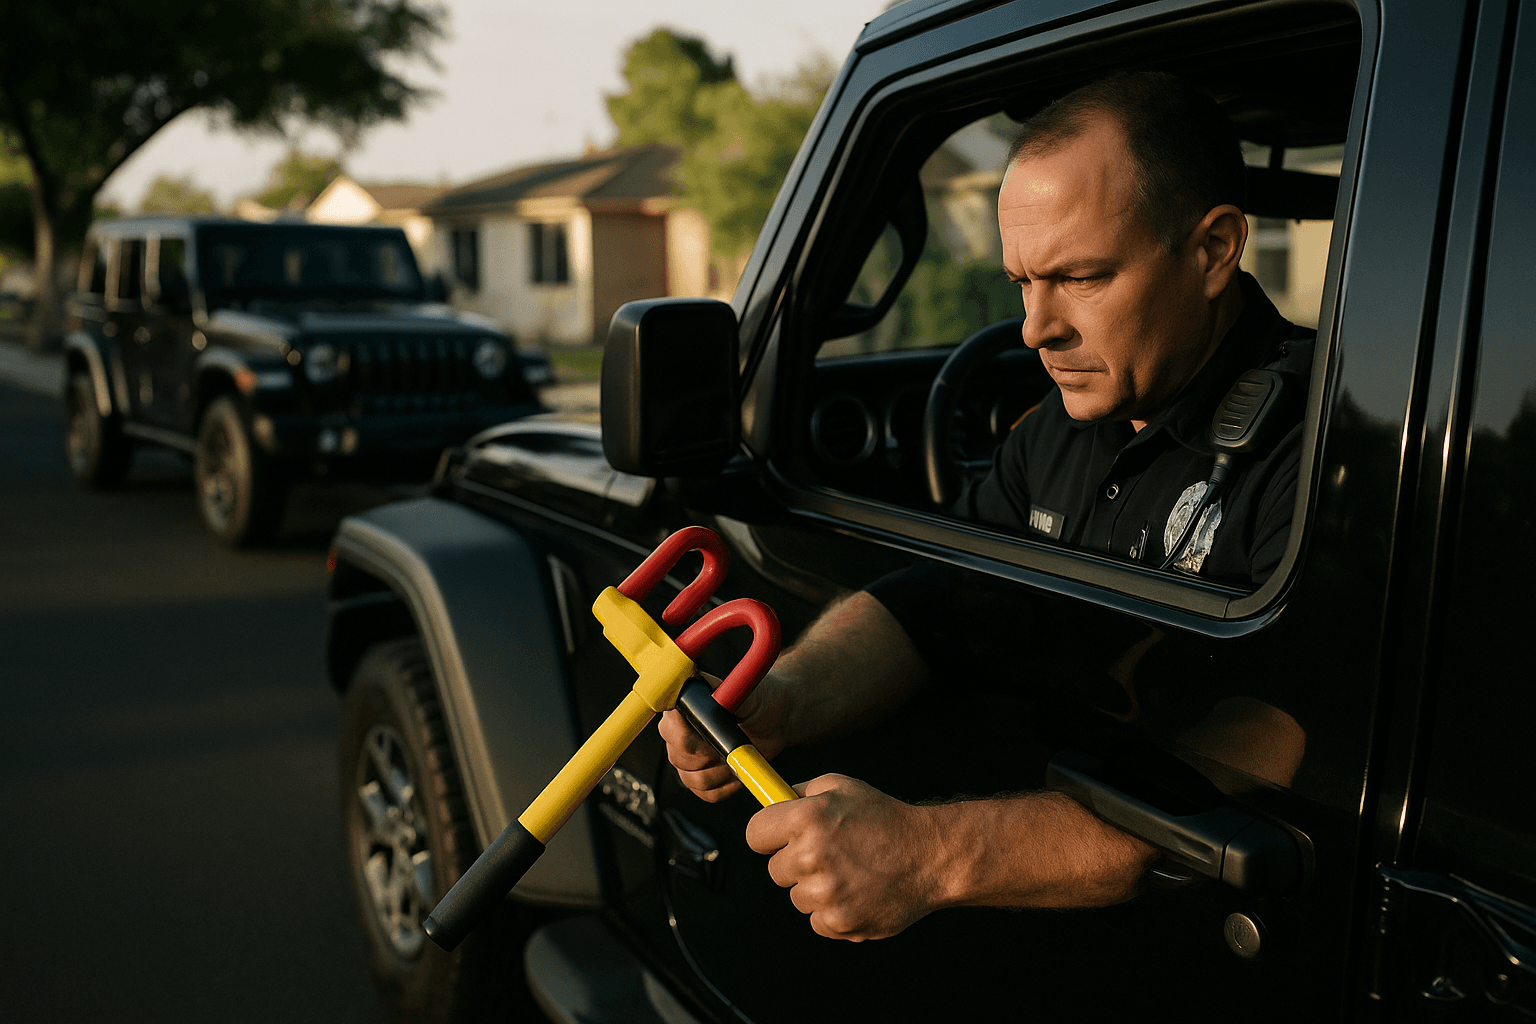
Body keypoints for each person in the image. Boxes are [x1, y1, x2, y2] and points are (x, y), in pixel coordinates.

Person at [659, 70, 1313, 942]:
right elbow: (939, 601)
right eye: (1021, 283)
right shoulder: (1061, 425)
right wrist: (783, 699)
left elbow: (1251, 756)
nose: (1036, 328)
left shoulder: (1325, 453)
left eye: (1080, 277)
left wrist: (927, 855)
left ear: (1213, 251)